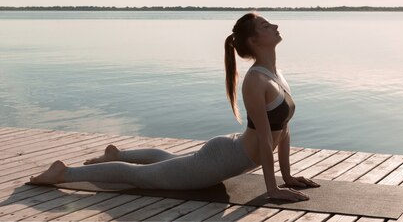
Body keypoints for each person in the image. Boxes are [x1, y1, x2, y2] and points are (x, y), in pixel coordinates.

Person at [30, 12, 319, 202]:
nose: (276, 26)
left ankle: (116, 153)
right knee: (140, 177)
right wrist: (271, 190)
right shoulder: (255, 80)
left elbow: (284, 130)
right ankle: (64, 173)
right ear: (255, 41)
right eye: (266, 26)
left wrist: (288, 177)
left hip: (228, 154)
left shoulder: (276, 76)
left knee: (169, 162)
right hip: (219, 162)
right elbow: (266, 137)